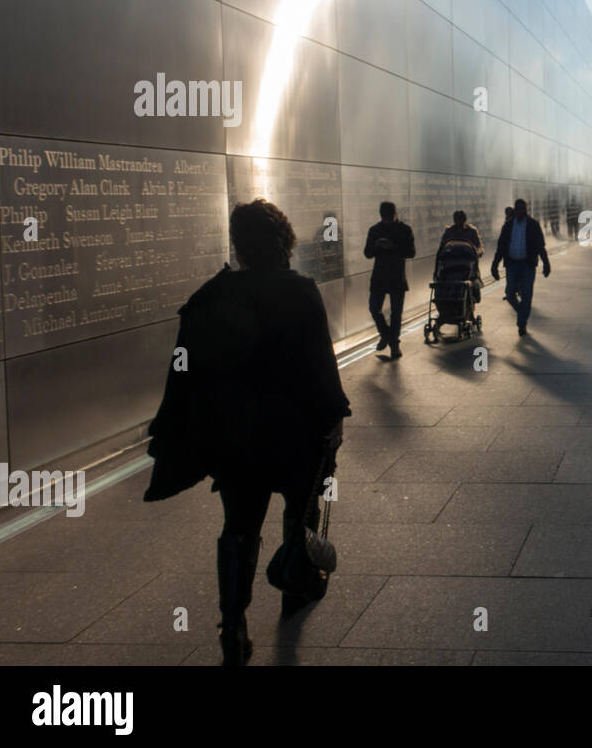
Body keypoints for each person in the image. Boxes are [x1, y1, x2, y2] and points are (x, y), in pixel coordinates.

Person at [143, 198, 350, 665]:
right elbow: (321, 364)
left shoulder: (214, 295)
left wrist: (180, 429)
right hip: (294, 432)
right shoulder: (299, 291)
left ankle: (233, 622)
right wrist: (334, 419)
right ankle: (296, 585)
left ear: (239, 245)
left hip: (236, 436)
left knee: (238, 526)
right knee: (300, 511)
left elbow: (185, 370)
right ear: (284, 241)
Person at [491, 198, 551, 336]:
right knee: (510, 294)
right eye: (518, 209)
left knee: (527, 295)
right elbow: (500, 247)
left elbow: (540, 246)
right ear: (515, 209)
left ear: (526, 210)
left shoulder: (533, 225)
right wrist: (495, 265)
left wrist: (546, 263)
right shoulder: (508, 226)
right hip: (512, 264)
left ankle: (522, 323)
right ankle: (522, 312)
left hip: (527, 265)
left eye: (522, 209)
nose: (520, 211)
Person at [365, 201, 416, 358]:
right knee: (376, 309)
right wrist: (377, 246)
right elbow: (368, 253)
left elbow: (411, 252)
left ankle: (393, 343)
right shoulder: (375, 230)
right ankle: (388, 336)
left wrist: (392, 246)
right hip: (384, 276)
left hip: (394, 276)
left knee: (395, 313)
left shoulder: (404, 230)